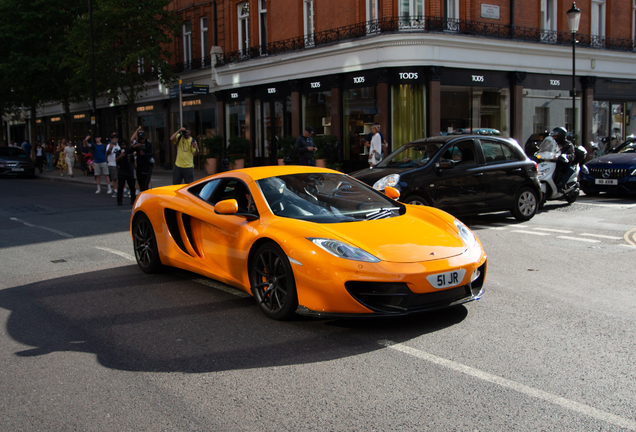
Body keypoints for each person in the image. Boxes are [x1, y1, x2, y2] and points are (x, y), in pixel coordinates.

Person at [550, 126, 576, 192]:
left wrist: (565, 157)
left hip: (563, 163)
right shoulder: (553, 144)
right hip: (553, 161)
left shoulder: (568, 145)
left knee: (570, 170)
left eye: (555, 136)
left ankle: (562, 184)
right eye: (553, 136)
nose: (554, 137)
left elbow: (572, 155)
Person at [130, 127, 154, 191]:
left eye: (142, 139)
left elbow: (151, 154)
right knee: (140, 181)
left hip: (147, 165)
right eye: (140, 139)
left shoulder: (148, 144)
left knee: (146, 181)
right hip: (139, 166)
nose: (141, 140)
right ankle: (141, 190)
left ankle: (147, 191)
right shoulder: (137, 144)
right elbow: (129, 151)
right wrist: (135, 146)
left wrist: (144, 154)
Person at [114, 139, 136, 206]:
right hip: (121, 170)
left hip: (129, 170)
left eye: (124, 145)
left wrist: (136, 169)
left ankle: (133, 200)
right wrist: (120, 156)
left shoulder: (129, 152)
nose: (123, 146)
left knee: (132, 186)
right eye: (122, 145)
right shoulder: (118, 152)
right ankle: (119, 201)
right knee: (120, 187)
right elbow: (116, 161)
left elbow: (133, 162)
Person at [106, 134, 120, 198]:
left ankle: (123, 190)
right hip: (112, 163)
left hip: (118, 163)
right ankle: (115, 190)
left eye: (116, 139)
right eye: (113, 139)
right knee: (114, 178)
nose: (115, 140)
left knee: (120, 177)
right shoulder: (109, 146)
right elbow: (107, 153)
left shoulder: (119, 146)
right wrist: (110, 148)